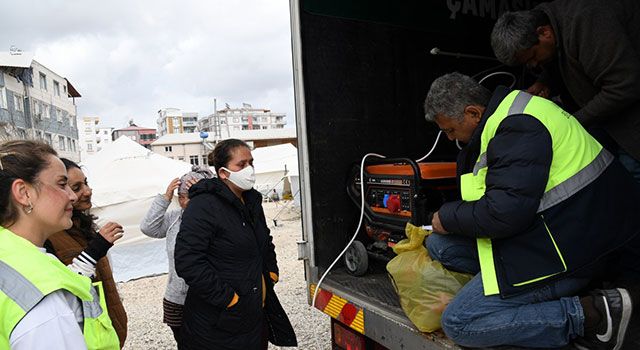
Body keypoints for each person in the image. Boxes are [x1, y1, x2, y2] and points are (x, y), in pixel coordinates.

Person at [422, 73, 640, 349]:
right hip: (558, 228)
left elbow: (504, 214)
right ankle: (515, 294)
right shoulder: (509, 116)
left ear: (473, 113)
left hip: (575, 249)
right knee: (440, 245)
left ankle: (591, 315)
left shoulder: (518, 127)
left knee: (460, 322)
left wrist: (447, 216)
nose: (453, 138)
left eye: (452, 130)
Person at [490, 0, 640, 182]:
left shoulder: (588, 21)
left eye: (533, 57)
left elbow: (623, 86)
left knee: (630, 179)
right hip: (607, 121)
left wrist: (571, 122)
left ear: (543, 33)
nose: (533, 65)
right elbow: (565, 55)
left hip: (630, 124)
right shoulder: (543, 21)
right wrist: (545, 81)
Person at [175, 139, 297, 349]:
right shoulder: (203, 206)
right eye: (241, 165)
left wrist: (271, 273)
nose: (249, 169)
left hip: (254, 315)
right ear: (223, 173)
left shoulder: (251, 201)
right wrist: (229, 299)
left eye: (251, 163)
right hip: (218, 325)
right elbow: (188, 262)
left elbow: (265, 242)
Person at [0, 140, 120, 349]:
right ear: (24, 193)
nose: (72, 196)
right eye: (62, 185)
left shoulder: (13, 256)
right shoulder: (42, 296)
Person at [46, 158, 129, 348]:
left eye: (86, 183)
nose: (87, 192)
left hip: (103, 331)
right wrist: (93, 251)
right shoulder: (48, 236)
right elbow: (64, 291)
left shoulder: (84, 228)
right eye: (76, 187)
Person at [139, 165, 214, 343]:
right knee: (184, 342)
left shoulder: (215, 219)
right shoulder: (175, 218)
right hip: (176, 298)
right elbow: (148, 227)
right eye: (181, 197)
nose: (185, 202)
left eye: (191, 196)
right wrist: (165, 198)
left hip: (208, 297)